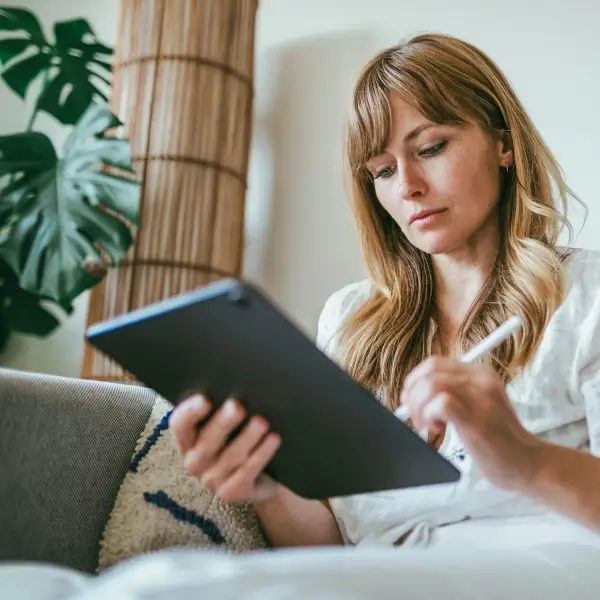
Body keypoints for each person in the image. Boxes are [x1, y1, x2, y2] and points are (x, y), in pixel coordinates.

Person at [169, 32, 600, 552]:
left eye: (432, 148)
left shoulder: (585, 297)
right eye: (383, 170)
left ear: (503, 143)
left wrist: (525, 459)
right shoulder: (349, 321)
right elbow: (327, 547)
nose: (407, 186)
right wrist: (267, 487)